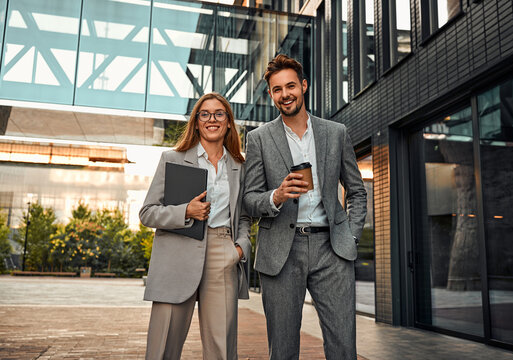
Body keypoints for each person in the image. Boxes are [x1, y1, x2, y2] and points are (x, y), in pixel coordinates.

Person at [243, 54, 367, 360]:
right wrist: (277, 195)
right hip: (282, 252)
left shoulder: (336, 133)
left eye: (290, 86)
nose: (285, 94)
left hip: (332, 249)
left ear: (304, 86)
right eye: (277, 89)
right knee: (283, 349)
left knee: (343, 347)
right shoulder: (258, 139)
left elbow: (357, 191)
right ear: (271, 95)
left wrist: (350, 236)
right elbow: (249, 198)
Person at [139, 92, 251, 360]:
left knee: (222, 348)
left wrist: (240, 249)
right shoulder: (172, 159)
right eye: (205, 114)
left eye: (219, 114)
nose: (212, 119)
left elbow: (244, 216)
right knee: (163, 347)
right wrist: (184, 211)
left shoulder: (239, 166)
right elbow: (147, 213)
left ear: (228, 122)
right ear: (197, 122)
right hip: (177, 252)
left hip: (223, 254)